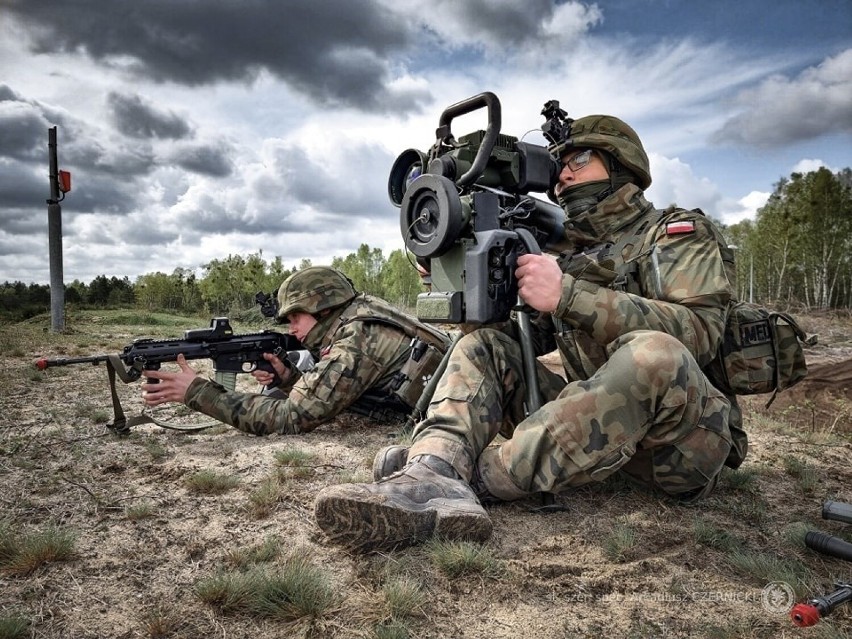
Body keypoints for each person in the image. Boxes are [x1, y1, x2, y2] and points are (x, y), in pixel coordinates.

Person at [314, 114, 747, 553]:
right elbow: (511, 341)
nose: (563, 173)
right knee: (484, 345)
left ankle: (482, 477)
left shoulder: (677, 235)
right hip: (594, 441)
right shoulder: (568, 252)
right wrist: (463, 281)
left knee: (655, 354)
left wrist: (568, 295)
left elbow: (700, 332)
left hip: (677, 447)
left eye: (579, 158)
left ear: (622, 164)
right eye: (558, 163)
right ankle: (435, 467)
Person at [140, 266, 451, 435]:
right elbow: (338, 390)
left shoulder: (354, 343)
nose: (291, 329)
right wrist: (289, 378)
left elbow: (290, 418)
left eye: (295, 317)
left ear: (322, 307)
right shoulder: (359, 315)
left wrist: (196, 392)